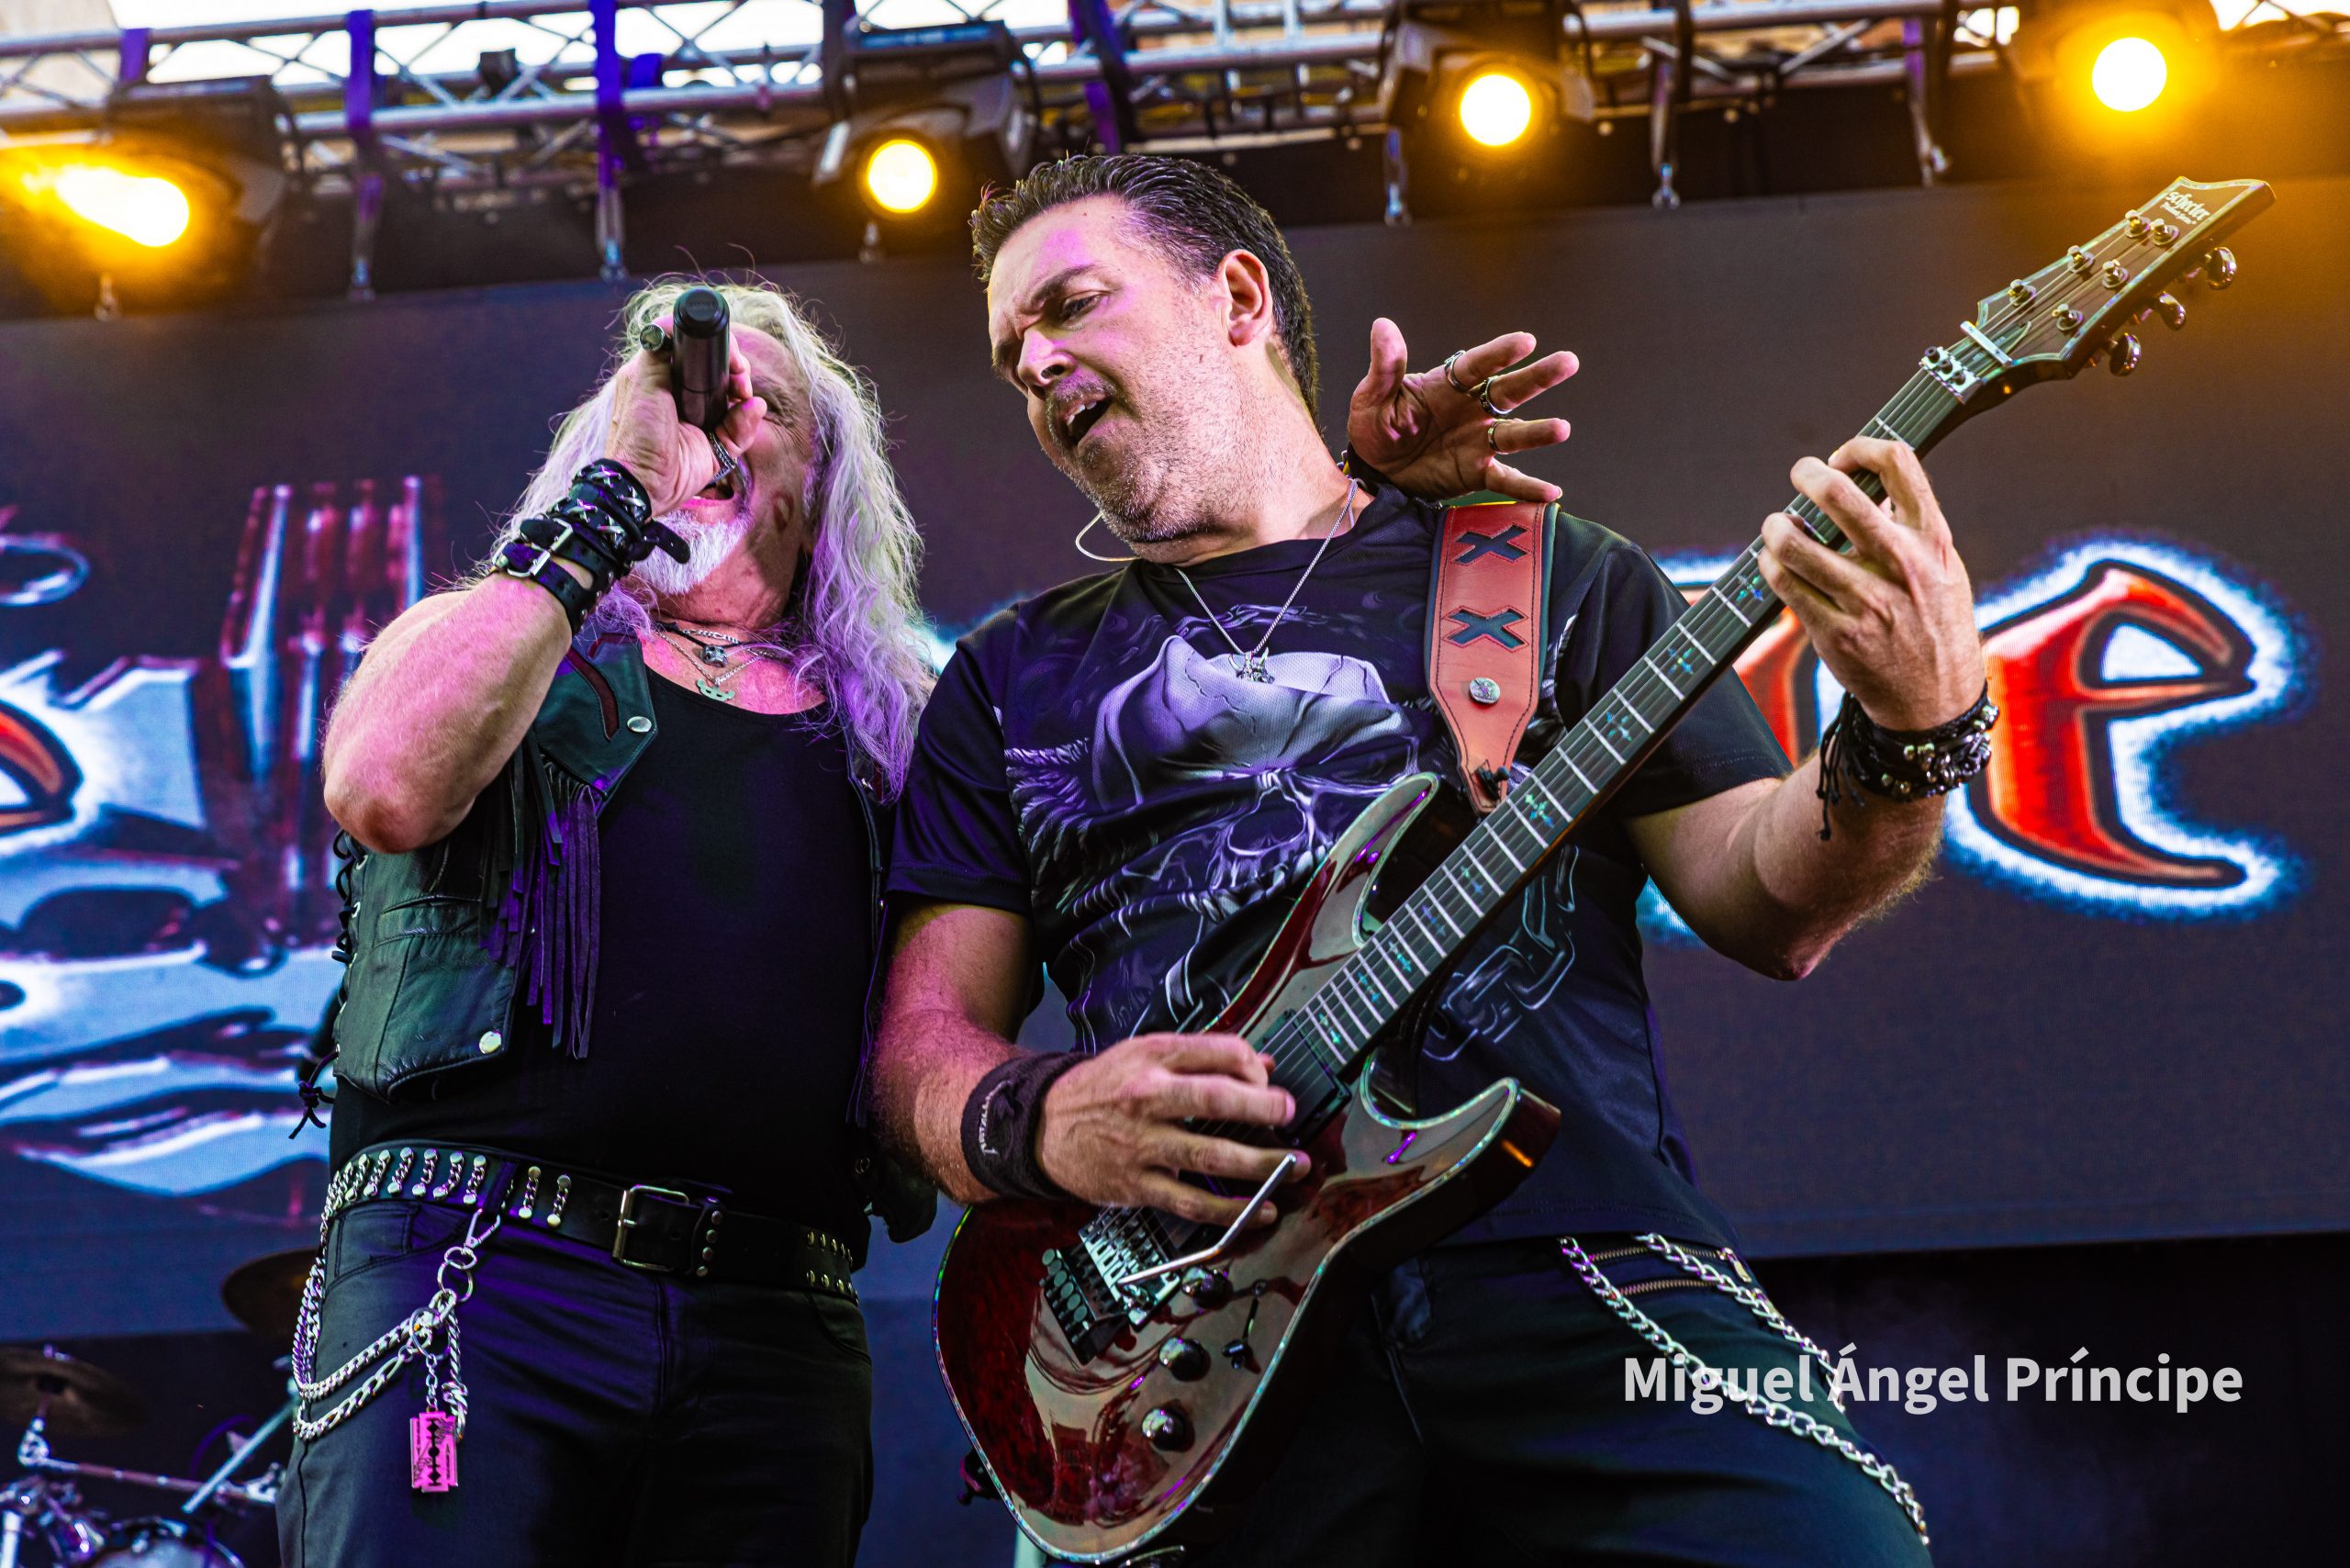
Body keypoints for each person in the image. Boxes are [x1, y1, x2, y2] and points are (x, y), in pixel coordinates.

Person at [279, 273, 1539, 1568]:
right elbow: (386, 789)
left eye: (760, 405)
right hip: (476, 1270)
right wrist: (617, 494)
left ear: (823, 479)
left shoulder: (904, 723)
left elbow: (1194, 793)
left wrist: (1365, 510)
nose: (716, 421)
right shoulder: (494, 634)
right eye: (680, 398)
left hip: (773, 1321)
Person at [876, 155, 1986, 1564]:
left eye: (1071, 306)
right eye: (1009, 353)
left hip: (1563, 1255)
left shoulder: (1543, 574)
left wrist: (1908, 734)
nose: (1035, 363)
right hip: (1188, 1330)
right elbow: (918, 1046)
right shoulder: (1010, 674)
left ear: (1236, 298)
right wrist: (1045, 1123)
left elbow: (1769, 902)